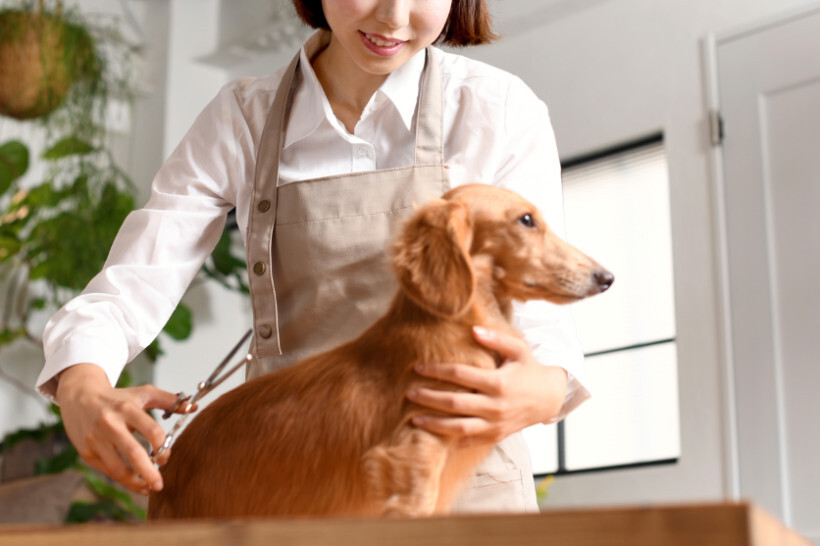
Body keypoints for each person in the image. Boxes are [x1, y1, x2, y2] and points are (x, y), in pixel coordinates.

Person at [36, 0, 590, 512]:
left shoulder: (496, 109)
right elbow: (132, 284)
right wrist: (83, 386)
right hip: (297, 480)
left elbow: (543, 319)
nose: (395, 16)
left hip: (460, 482)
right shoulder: (241, 120)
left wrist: (537, 392)